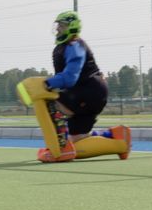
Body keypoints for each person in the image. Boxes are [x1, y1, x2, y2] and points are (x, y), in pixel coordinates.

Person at [37, 11, 131, 163]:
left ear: (72, 27)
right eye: (58, 25)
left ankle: (61, 147)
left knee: (48, 103)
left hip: (88, 92)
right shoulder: (64, 47)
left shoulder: (74, 46)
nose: (59, 29)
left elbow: (69, 77)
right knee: (78, 139)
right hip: (87, 93)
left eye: (63, 25)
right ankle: (117, 138)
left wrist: (46, 84)